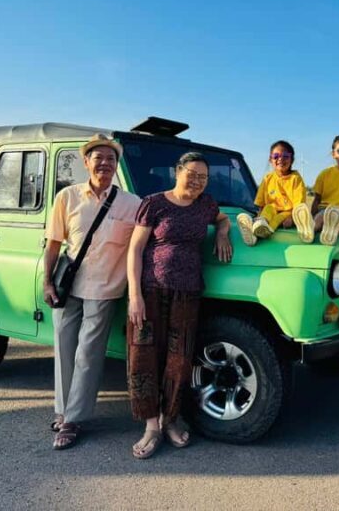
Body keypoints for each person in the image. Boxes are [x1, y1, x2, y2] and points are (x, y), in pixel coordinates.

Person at [126, 152, 233, 459]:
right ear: (177, 172)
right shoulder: (154, 203)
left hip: (187, 292)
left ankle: (170, 419)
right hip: (150, 290)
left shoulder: (206, 205)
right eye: (192, 174)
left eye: (203, 177)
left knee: (179, 359)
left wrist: (222, 234)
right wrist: (134, 295)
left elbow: (223, 218)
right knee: (143, 357)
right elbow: (135, 250)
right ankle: (151, 426)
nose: (197, 181)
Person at [43, 133, 141, 450]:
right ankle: (62, 410)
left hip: (105, 287)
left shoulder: (132, 204)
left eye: (111, 159)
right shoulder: (67, 197)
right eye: (98, 158)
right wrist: (47, 282)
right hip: (68, 285)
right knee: (64, 347)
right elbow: (54, 243)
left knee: (88, 353)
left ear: (116, 165)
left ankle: (73, 420)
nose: (105, 164)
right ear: (86, 162)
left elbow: (145, 240)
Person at [292, 133, 339, 245]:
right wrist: (312, 215)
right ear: (333, 154)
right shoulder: (324, 174)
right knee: (320, 218)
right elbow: (317, 199)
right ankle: (310, 230)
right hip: (325, 209)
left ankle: (331, 232)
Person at [236, 140, 306, 246]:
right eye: (276, 156)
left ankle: (264, 231)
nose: (280, 159)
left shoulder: (296, 179)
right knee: (268, 208)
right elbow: (261, 205)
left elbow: (299, 205)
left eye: (285, 156)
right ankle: (256, 226)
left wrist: (292, 218)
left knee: (278, 218)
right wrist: (259, 215)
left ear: (292, 159)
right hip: (271, 210)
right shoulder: (267, 179)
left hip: (287, 212)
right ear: (270, 159)